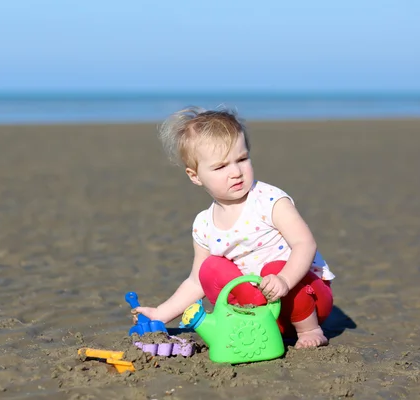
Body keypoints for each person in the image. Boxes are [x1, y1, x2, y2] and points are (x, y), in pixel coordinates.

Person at [132, 106, 335, 348]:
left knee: (274, 267)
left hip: (303, 298)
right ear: (195, 176)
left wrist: (284, 279)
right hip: (261, 308)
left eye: (241, 159)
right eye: (220, 167)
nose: (236, 172)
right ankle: (247, 322)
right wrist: (161, 314)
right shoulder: (204, 225)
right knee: (211, 268)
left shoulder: (269, 200)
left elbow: (305, 244)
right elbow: (197, 281)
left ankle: (309, 331)